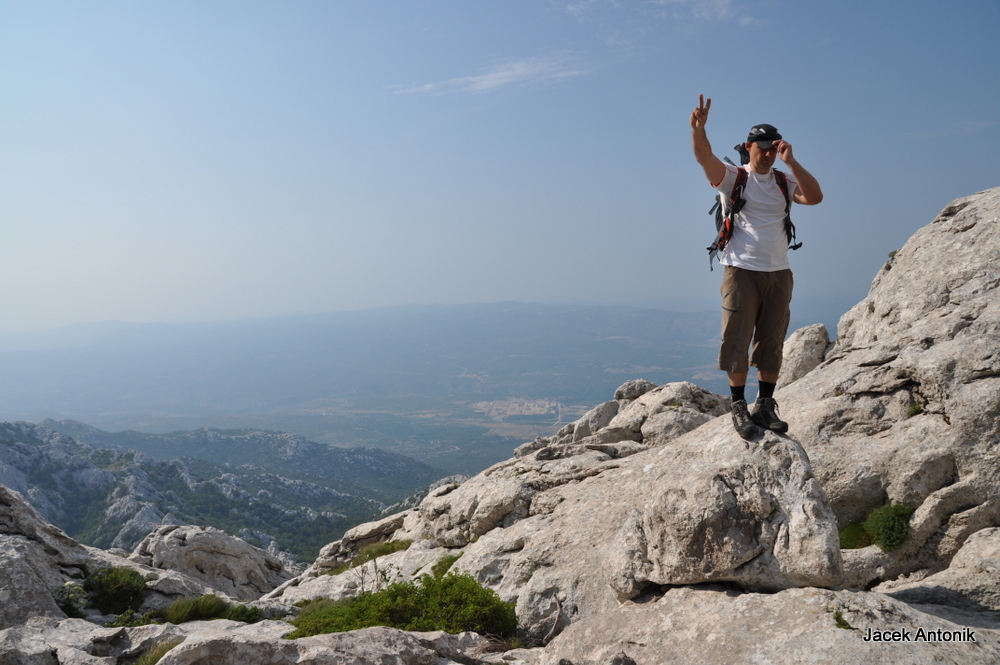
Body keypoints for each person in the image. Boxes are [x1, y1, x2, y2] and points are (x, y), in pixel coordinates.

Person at [690, 94, 823, 438]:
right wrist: (700, 130)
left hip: (779, 272)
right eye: (760, 147)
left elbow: (815, 196)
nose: (766, 153)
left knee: (771, 340)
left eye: (771, 147)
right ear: (748, 147)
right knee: (737, 338)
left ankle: (765, 407)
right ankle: (738, 407)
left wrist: (791, 162)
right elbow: (704, 158)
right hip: (741, 270)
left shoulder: (783, 180)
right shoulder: (735, 177)